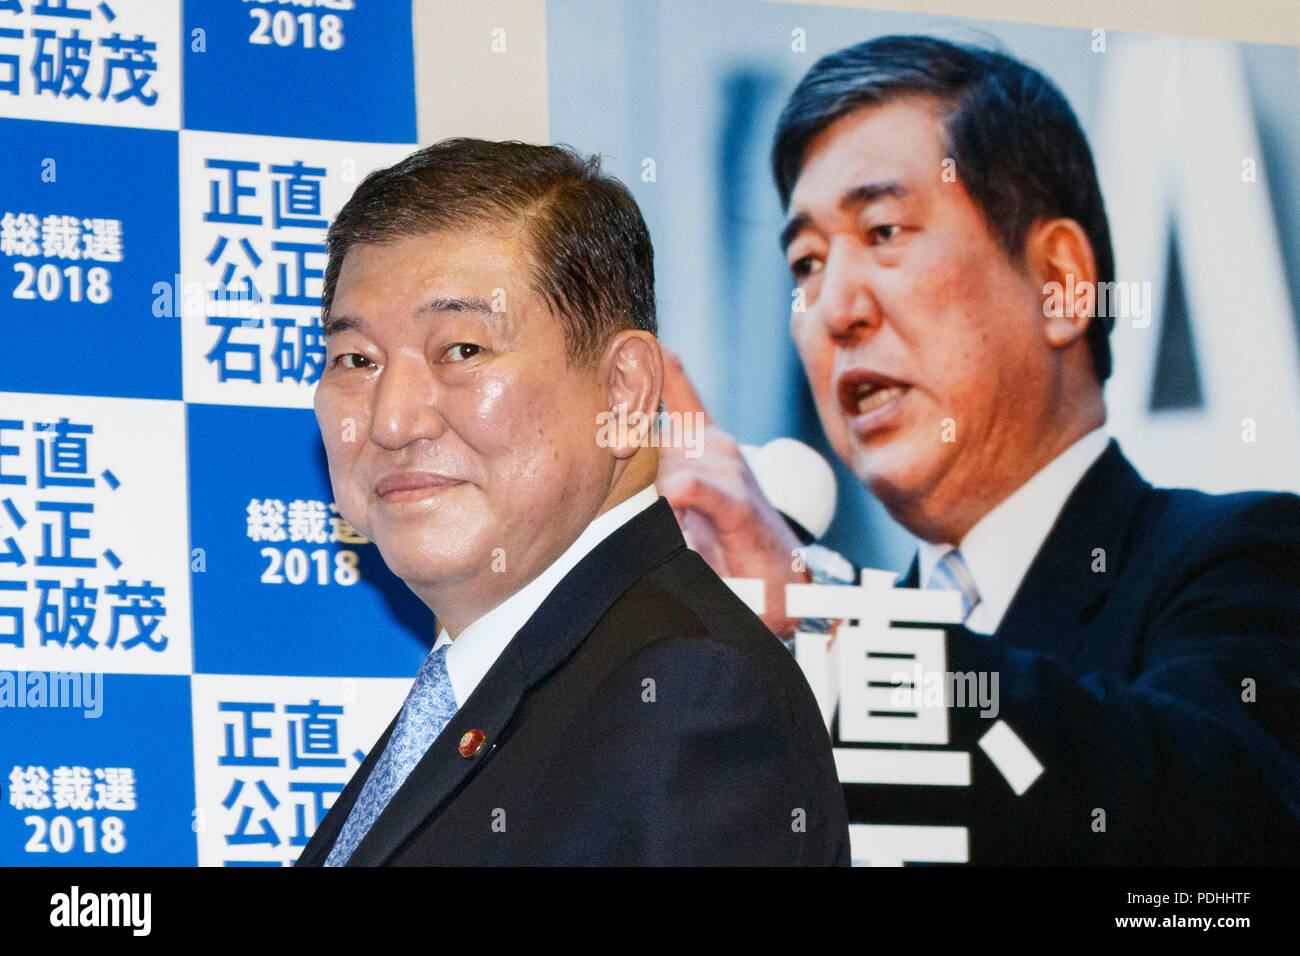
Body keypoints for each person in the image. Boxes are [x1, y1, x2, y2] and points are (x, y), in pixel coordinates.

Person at [658, 36, 1300, 864]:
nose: (834, 308)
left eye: (884, 230)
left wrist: (814, 620)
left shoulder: (1245, 564)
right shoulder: (793, 677)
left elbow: (1204, 851)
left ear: (1062, 282)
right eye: (807, 262)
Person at [293, 138, 850, 866]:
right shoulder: (480, 691)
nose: (391, 420)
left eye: (461, 350)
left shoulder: (687, 695)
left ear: (623, 389)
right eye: (356, 360)